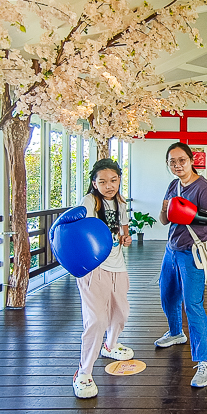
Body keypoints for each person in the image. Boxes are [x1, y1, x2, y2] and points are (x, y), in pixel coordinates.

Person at [156, 142, 207, 388]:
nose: (177, 165)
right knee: (168, 296)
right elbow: (164, 220)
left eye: (181, 160)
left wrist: (194, 214)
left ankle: (206, 363)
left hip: (193, 253)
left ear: (191, 160)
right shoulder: (173, 184)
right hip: (171, 250)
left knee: (192, 305)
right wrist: (165, 209)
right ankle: (176, 333)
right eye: (172, 162)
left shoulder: (202, 187)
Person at [72, 158, 135, 399]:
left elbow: (124, 230)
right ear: (94, 182)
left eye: (114, 180)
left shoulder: (119, 201)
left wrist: (125, 239)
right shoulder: (89, 202)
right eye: (103, 181)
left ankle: (110, 345)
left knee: (121, 312)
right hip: (93, 267)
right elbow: (79, 231)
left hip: (118, 266)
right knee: (96, 320)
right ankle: (84, 372)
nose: (109, 185)